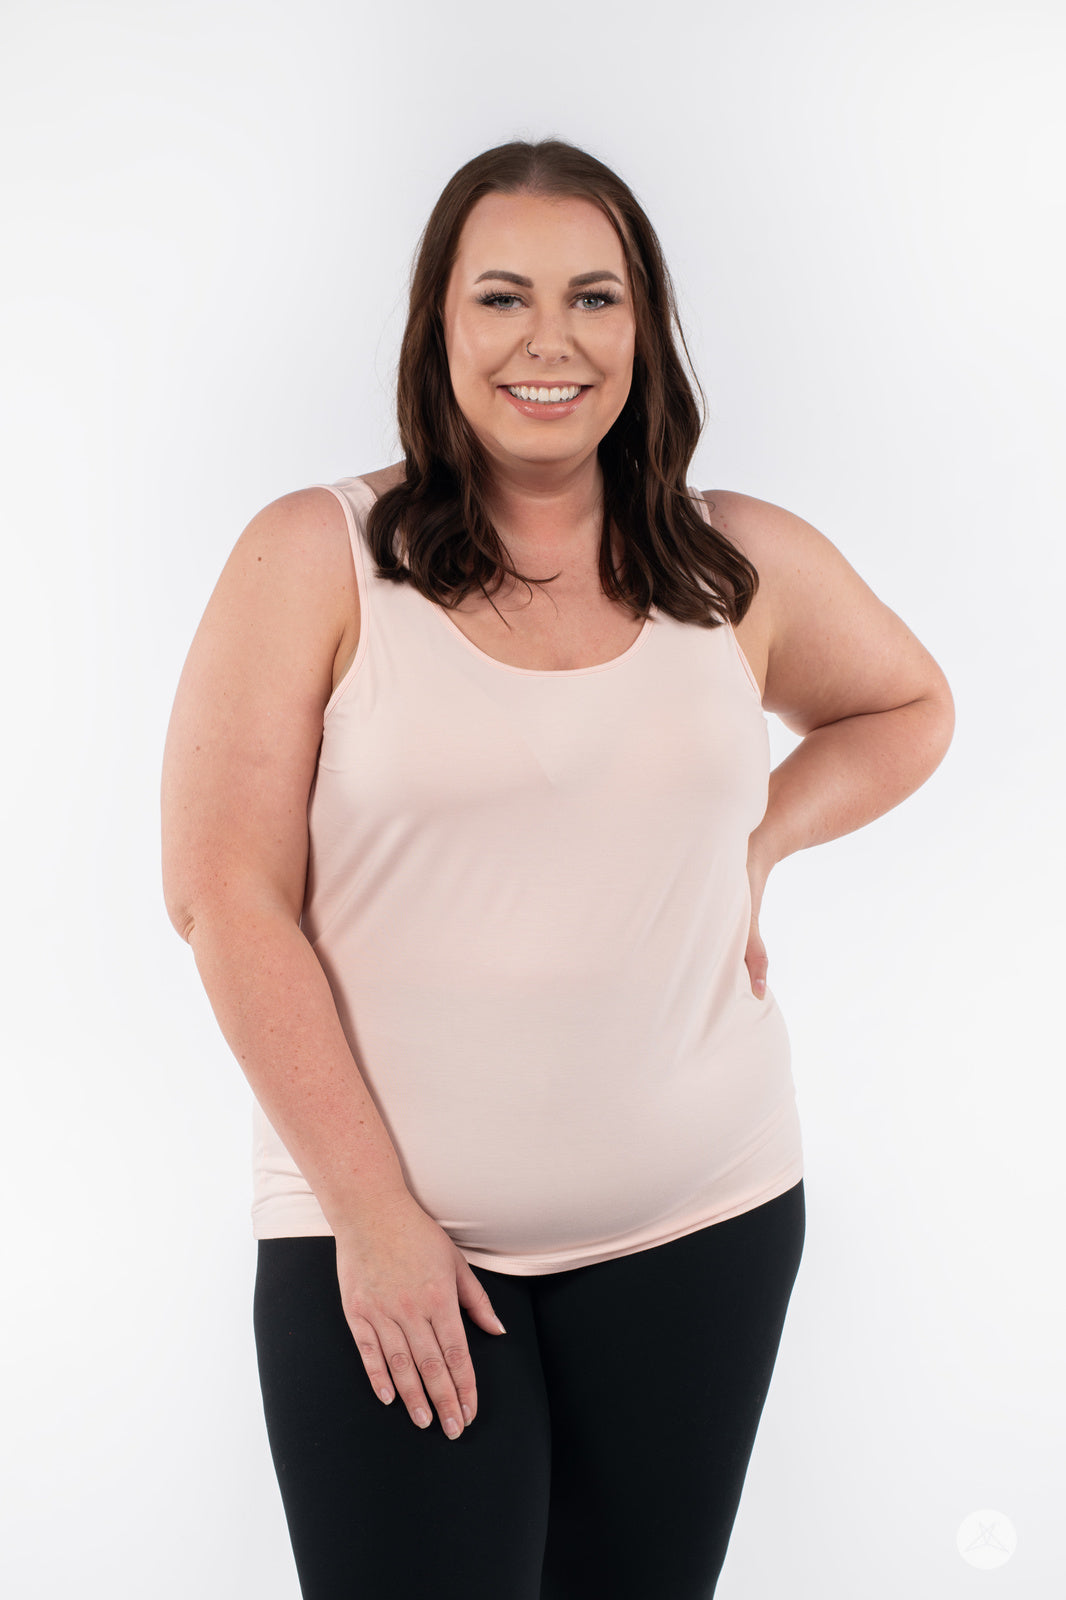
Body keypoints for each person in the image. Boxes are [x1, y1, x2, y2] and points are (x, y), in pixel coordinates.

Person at [160, 138, 954, 1599]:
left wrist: (760, 841)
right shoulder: (315, 557)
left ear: (641, 333)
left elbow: (909, 708)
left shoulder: (734, 565)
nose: (549, 340)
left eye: (594, 298)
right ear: (438, 328)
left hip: (702, 1224)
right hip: (394, 1245)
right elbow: (224, 895)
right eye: (502, 297)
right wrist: (374, 1215)